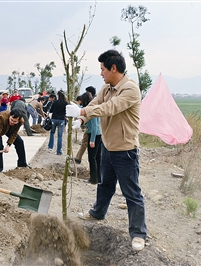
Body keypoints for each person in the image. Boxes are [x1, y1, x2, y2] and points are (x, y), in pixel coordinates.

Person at [66, 50, 146, 252]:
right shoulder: (106, 88)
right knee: (105, 185)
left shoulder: (130, 89)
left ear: (113, 68)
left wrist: (83, 111)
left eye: (102, 69)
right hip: (108, 148)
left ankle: (138, 233)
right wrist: (81, 119)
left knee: (131, 193)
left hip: (125, 150)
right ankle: (98, 212)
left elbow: (110, 108)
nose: (100, 73)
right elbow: (96, 104)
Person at [80, 92, 101, 184]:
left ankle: (93, 179)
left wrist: (92, 140)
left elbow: (94, 127)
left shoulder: (90, 111)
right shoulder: (95, 108)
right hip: (99, 135)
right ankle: (99, 178)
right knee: (98, 158)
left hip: (94, 135)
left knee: (92, 158)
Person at [74, 86, 97, 164]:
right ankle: (78, 157)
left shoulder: (92, 104)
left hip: (92, 131)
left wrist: (92, 139)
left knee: (92, 156)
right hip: (90, 129)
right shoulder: (93, 101)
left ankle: (78, 158)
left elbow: (94, 123)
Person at [47, 90, 68, 155]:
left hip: (54, 119)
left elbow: (51, 110)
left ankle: (50, 147)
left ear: (58, 95)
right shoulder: (66, 103)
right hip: (61, 120)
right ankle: (59, 151)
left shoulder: (55, 102)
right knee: (60, 136)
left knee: (52, 133)